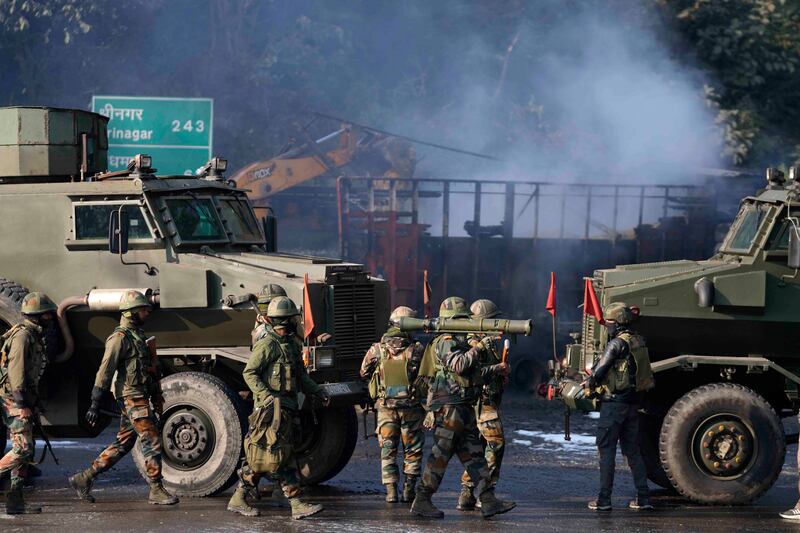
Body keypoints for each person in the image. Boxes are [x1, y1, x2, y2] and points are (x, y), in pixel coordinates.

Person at [69, 290, 178, 506]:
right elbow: (105, 370)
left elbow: (150, 370)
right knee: (151, 440)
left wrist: (156, 395)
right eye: (142, 310)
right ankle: (156, 489)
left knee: (124, 443)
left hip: (139, 396)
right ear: (130, 313)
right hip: (131, 397)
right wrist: (95, 402)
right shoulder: (118, 339)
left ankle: (84, 478)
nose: (147, 313)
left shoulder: (138, 337)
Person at [411, 296, 515, 519]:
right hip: (449, 408)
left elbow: (471, 376)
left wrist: (495, 369)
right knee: (440, 455)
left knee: (475, 456)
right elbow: (459, 365)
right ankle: (421, 500)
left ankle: (488, 500)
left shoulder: (458, 341)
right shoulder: (445, 340)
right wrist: (479, 347)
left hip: (462, 406)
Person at [227, 296, 330, 520]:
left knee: (281, 456)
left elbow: (301, 376)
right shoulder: (268, 344)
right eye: (294, 318)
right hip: (270, 413)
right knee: (266, 455)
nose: (296, 322)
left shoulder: (291, 345)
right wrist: (266, 398)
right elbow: (249, 373)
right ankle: (286, 502)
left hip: (286, 410)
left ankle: (292, 502)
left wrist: (318, 391)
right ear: (286, 320)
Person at [584, 302, 654, 511]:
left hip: (614, 404)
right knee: (632, 451)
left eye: (610, 322)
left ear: (618, 323)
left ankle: (604, 499)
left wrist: (589, 383)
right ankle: (643, 498)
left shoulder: (616, 344)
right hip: (633, 404)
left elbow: (599, 371)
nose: (607, 326)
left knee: (606, 450)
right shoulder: (638, 341)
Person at [360, 306, 425, 504]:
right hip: (411, 408)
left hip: (386, 409)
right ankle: (409, 491)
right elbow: (428, 376)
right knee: (412, 450)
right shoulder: (418, 349)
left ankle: (391, 492)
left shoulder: (377, 349)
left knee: (388, 450)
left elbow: (363, 372)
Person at [0, 292, 56, 514]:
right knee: (23, 449)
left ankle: (15, 501)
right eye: (48, 315)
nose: (51, 318)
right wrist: (22, 403)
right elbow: (17, 373)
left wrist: (33, 403)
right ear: (38, 315)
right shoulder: (23, 337)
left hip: (23, 398)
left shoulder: (34, 335)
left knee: (24, 451)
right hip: (13, 398)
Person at [458, 299, 509, 511]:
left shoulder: (487, 342)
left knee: (478, 449)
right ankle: (484, 492)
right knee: (496, 444)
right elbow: (475, 374)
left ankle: (468, 492)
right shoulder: (474, 343)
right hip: (481, 402)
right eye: (494, 319)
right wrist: (498, 368)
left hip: (487, 401)